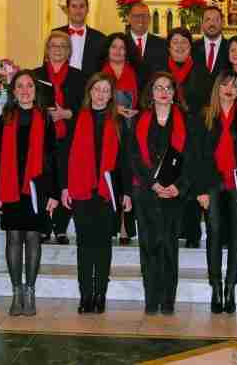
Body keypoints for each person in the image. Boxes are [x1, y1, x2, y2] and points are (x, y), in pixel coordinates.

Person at [60, 73, 133, 315]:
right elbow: (64, 156)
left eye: (106, 90)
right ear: (90, 91)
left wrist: (127, 192)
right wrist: (64, 187)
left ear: (111, 95)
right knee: (84, 245)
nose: (101, 94)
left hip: (108, 192)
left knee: (103, 246)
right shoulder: (76, 120)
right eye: (97, 89)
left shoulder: (119, 122)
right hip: (81, 190)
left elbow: (125, 160)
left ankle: (100, 294)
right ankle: (85, 295)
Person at [0, 70, 60, 316]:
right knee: (13, 238)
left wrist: (53, 193)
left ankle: (30, 291)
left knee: (32, 238)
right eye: (20, 86)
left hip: (37, 187)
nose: (25, 90)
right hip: (10, 187)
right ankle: (16, 292)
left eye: (29, 85)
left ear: (35, 90)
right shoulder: (5, 118)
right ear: (13, 91)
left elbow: (53, 157)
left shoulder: (45, 118)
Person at [129, 72, 195, 315]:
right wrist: (153, 184)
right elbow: (134, 157)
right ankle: (151, 299)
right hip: (147, 193)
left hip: (174, 194)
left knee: (168, 247)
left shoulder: (187, 121)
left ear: (175, 92)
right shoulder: (139, 120)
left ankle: (168, 301)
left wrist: (179, 186)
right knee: (148, 247)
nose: (164, 92)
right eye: (159, 87)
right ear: (151, 92)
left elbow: (192, 157)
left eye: (168, 88)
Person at [196, 70, 237, 314]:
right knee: (214, 231)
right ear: (217, 88)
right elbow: (197, 155)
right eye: (225, 84)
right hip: (212, 181)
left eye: (234, 85)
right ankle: (215, 286)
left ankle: (230, 287)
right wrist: (200, 189)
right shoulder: (204, 115)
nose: (229, 89)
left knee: (236, 234)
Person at [33, 31, 86, 245]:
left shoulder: (79, 77)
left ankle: (61, 227)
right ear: (47, 50)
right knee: (44, 178)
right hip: (42, 136)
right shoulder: (35, 75)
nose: (58, 49)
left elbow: (86, 107)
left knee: (66, 179)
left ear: (69, 51)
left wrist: (67, 114)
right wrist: (44, 114)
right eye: (54, 45)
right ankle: (44, 227)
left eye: (63, 46)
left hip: (69, 136)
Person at [165, 27, 214, 249]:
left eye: (184, 43)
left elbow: (209, 103)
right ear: (169, 47)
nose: (179, 46)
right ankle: (173, 230)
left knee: (191, 178)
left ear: (190, 47)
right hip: (167, 132)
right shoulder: (161, 71)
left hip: (194, 134)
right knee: (169, 177)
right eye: (175, 42)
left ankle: (192, 231)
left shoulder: (202, 72)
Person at [100, 33, 140, 245]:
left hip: (132, 131)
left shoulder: (136, 72)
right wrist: (114, 110)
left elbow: (145, 99)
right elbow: (93, 100)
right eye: (114, 47)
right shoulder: (100, 73)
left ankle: (126, 227)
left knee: (128, 176)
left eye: (122, 48)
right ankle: (109, 224)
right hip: (107, 130)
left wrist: (138, 111)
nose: (118, 51)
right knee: (111, 175)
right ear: (108, 50)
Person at [55, 0, 106, 81]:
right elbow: (48, 63)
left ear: (87, 9)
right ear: (67, 10)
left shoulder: (100, 38)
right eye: (74, 6)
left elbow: (102, 70)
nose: (78, 10)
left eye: (82, 6)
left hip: (89, 86)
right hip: (60, 85)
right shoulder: (56, 34)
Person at [124, 1, 168, 77]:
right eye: (136, 16)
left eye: (145, 16)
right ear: (129, 19)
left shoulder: (162, 44)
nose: (141, 20)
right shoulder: (122, 43)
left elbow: (163, 72)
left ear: (150, 19)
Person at [192, 6, 229, 75]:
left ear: (222, 23)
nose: (212, 24)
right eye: (207, 20)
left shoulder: (230, 47)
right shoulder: (192, 48)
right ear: (202, 24)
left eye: (216, 20)